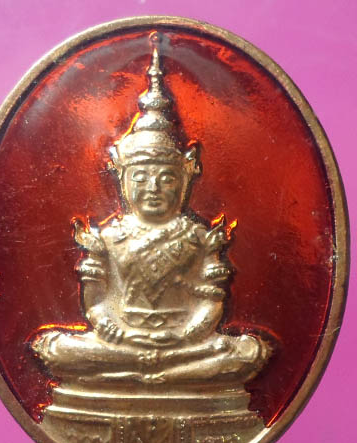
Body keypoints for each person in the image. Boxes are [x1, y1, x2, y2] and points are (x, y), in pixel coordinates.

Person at [32, 35, 272, 384]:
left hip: (183, 343)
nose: (153, 188)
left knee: (246, 351)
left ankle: (140, 373)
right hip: (123, 342)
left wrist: (187, 334)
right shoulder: (109, 237)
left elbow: (211, 302)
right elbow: (96, 301)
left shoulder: (199, 237)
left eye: (166, 178)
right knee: (58, 348)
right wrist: (112, 329)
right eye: (141, 177)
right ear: (122, 178)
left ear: (185, 177)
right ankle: (157, 373)